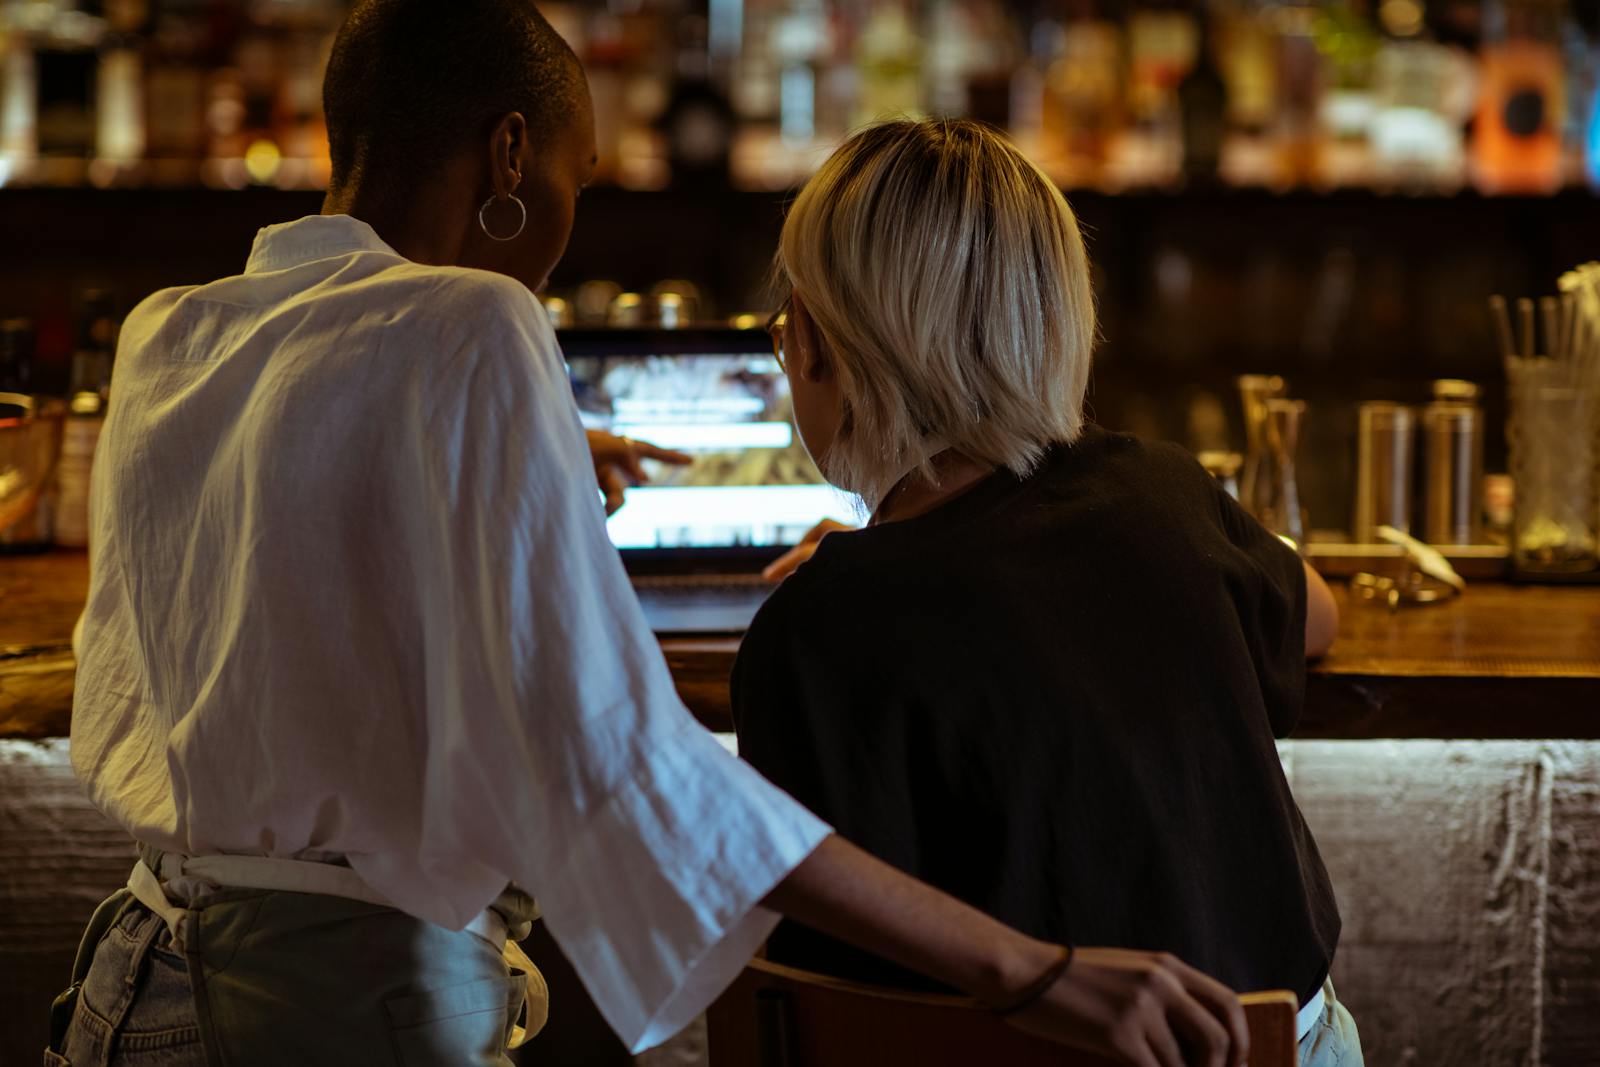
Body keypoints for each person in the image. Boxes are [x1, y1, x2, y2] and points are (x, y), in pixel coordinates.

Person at [50, 4, 1251, 1067]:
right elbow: (622, 760)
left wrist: (504, 470)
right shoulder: (479, 318)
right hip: (347, 1008)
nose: (570, 216)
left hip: (134, 984)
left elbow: (180, 641)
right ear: (511, 151)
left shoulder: (174, 328)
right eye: (579, 172)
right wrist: (1028, 968)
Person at [733, 119, 1361, 1067]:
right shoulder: (1162, 495)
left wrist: (869, 557)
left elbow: (828, 974)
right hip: (1273, 1047)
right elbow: (1317, 614)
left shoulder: (811, 629)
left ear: (815, 343)